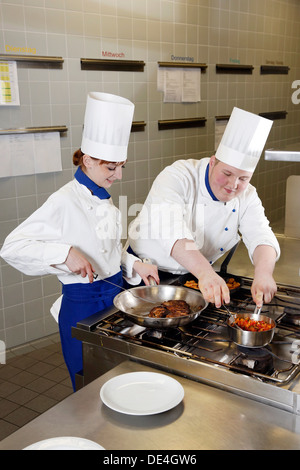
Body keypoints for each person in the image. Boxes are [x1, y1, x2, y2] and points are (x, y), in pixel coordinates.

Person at [0, 92, 159, 391]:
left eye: (121, 166)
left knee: (121, 381)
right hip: (82, 309)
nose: (119, 175)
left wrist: (134, 263)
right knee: (89, 386)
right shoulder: (62, 201)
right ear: (87, 160)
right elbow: (11, 247)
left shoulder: (106, 203)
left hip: (116, 301)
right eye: (111, 168)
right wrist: (65, 253)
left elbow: (109, 254)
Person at [127, 107, 280, 309]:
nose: (233, 185)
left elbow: (261, 234)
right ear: (213, 161)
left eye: (243, 178)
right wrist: (206, 273)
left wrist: (264, 273)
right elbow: (171, 231)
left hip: (194, 277)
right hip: (147, 274)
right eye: (226, 173)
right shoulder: (178, 176)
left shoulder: (248, 194)